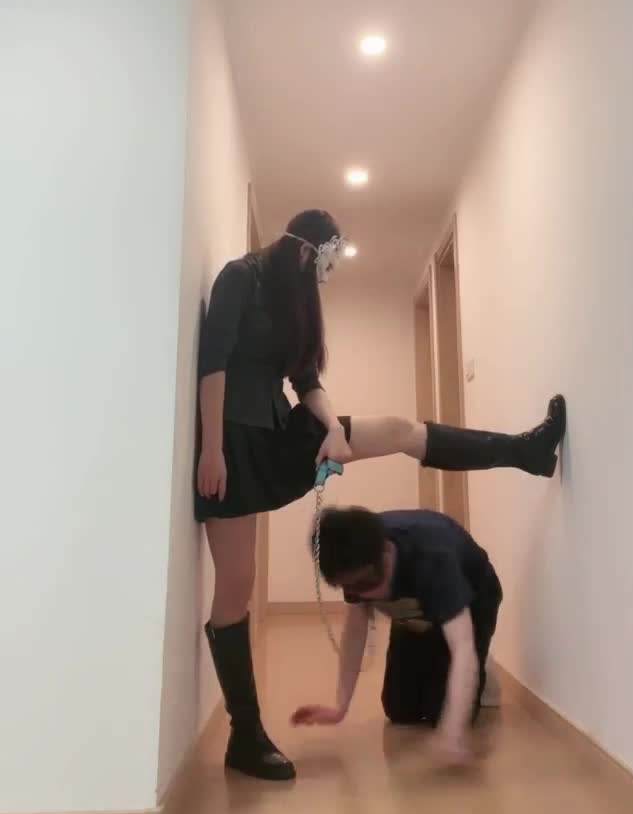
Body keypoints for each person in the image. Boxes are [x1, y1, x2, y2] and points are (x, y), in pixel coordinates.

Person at [196, 208, 565, 781]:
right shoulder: (240, 276)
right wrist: (212, 449)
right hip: (232, 444)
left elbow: (305, 382)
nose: (322, 277)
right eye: (323, 263)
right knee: (236, 587)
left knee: (395, 430)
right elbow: (213, 363)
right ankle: (246, 735)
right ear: (305, 250)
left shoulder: (295, 300)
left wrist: (334, 429)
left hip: (280, 433)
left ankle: (526, 451)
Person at [292, 506, 502, 768]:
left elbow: (462, 645)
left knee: (442, 713)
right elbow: (355, 631)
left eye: (368, 582)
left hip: (472, 601)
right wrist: (340, 707)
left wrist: (452, 734)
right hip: (412, 611)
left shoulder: (433, 558)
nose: (365, 594)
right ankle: (440, 655)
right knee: (400, 710)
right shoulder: (351, 559)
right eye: (352, 587)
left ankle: (480, 666)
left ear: (387, 552)